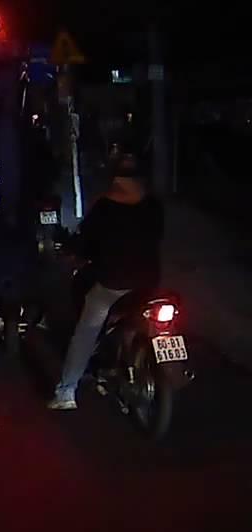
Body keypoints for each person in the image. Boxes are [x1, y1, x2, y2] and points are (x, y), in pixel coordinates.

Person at [48, 142, 163, 410]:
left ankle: (66, 392)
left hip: (113, 282)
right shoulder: (153, 205)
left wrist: (72, 249)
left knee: (86, 331)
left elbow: (84, 244)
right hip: (149, 281)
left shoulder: (105, 207)